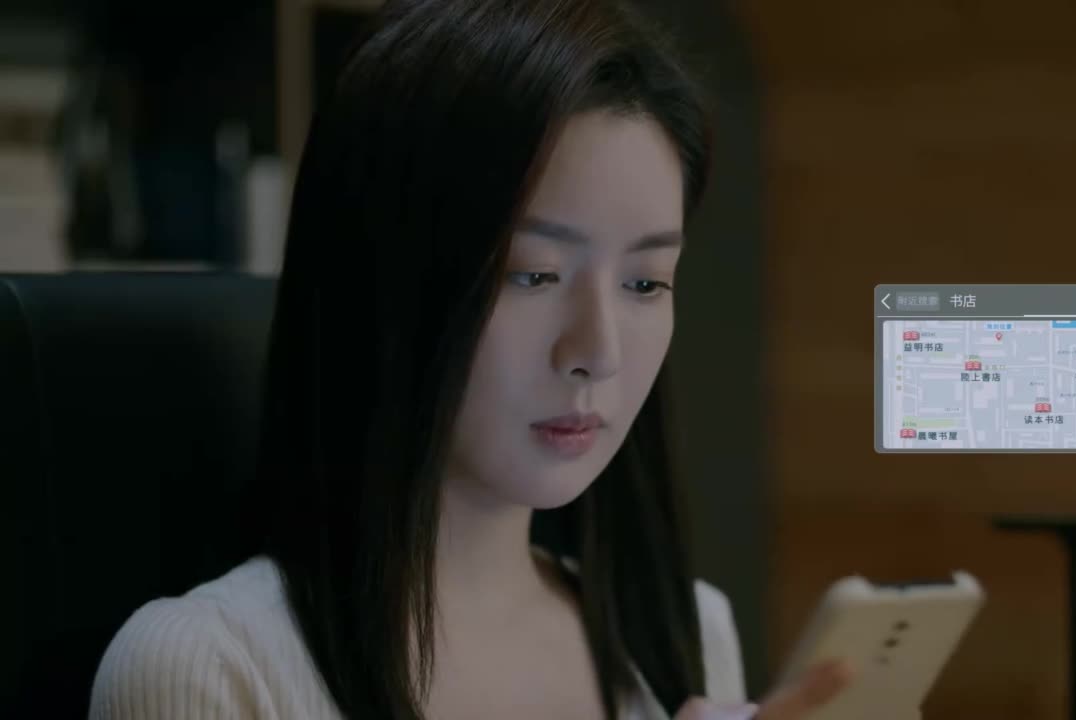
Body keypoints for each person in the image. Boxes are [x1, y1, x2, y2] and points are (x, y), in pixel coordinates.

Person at [88, 0, 854, 717]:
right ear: (383, 277)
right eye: (533, 274)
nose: (598, 351)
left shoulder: (686, 631)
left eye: (646, 282)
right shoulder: (208, 666)